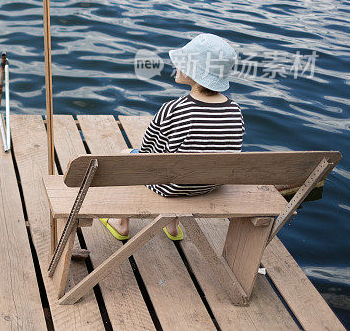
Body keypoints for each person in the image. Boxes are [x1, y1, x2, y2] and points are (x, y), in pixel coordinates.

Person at [102, 33, 244, 241]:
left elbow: (150, 152)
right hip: (212, 184)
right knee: (183, 163)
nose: (176, 65)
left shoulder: (174, 108)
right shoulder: (235, 110)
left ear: (194, 73)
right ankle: (172, 226)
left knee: (128, 157)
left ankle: (121, 223)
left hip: (172, 187)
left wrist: (133, 155)